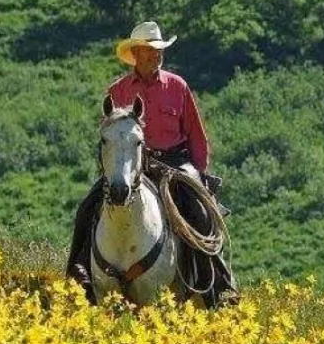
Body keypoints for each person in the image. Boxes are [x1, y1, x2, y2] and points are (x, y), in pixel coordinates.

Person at [66, 21, 236, 306]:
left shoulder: (177, 86)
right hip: (132, 163)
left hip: (175, 162)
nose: (157, 55)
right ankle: (78, 275)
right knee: (87, 208)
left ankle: (217, 286)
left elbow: (196, 134)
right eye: (151, 51)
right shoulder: (117, 91)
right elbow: (111, 140)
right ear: (137, 54)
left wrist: (199, 175)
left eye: (159, 50)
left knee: (198, 211)